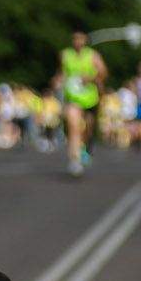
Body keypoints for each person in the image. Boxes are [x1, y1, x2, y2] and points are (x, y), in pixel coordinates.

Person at [56, 30, 108, 177]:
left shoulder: (93, 56)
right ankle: (75, 160)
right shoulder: (65, 55)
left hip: (90, 98)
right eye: (75, 39)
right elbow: (62, 72)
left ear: (85, 40)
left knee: (88, 128)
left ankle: (84, 148)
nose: (78, 42)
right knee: (74, 127)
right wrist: (58, 80)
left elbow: (104, 73)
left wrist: (90, 78)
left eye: (80, 39)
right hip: (73, 97)